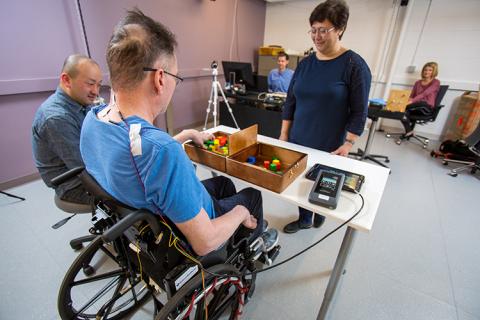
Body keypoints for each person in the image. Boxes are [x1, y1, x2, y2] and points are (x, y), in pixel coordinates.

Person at [79, 9, 278, 256]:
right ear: (160, 79)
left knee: (225, 183)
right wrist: (240, 213)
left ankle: (238, 228)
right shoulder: (163, 151)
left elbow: (139, 156)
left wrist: (183, 136)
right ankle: (252, 249)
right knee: (251, 197)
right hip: (186, 233)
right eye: (176, 77)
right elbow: (204, 242)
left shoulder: (93, 119)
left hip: (144, 216)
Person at [279, 0, 371, 234]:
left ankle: (319, 213)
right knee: (298, 182)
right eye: (313, 30)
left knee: (322, 182)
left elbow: (360, 110)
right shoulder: (305, 64)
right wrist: (283, 134)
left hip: (330, 142)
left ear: (340, 29)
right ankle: (304, 218)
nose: (317, 36)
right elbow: (291, 100)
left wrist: (349, 143)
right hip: (299, 137)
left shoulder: (354, 65)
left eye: (323, 30)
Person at [32, 54, 102, 204]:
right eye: (90, 84)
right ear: (66, 80)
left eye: (99, 85)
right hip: (73, 185)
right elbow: (84, 168)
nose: (96, 92)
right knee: (136, 197)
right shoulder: (56, 118)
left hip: (87, 169)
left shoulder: (81, 102)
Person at [400, 62, 440, 136]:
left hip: (426, 107)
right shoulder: (418, 82)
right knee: (401, 109)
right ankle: (409, 131)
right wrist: (406, 100)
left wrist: (411, 101)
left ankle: (409, 129)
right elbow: (412, 95)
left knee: (414, 104)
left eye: (430, 70)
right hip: (415, 106)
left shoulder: (436, 82)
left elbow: (424, 93)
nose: (427, 72)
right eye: (425, 70)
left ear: (434, 72)